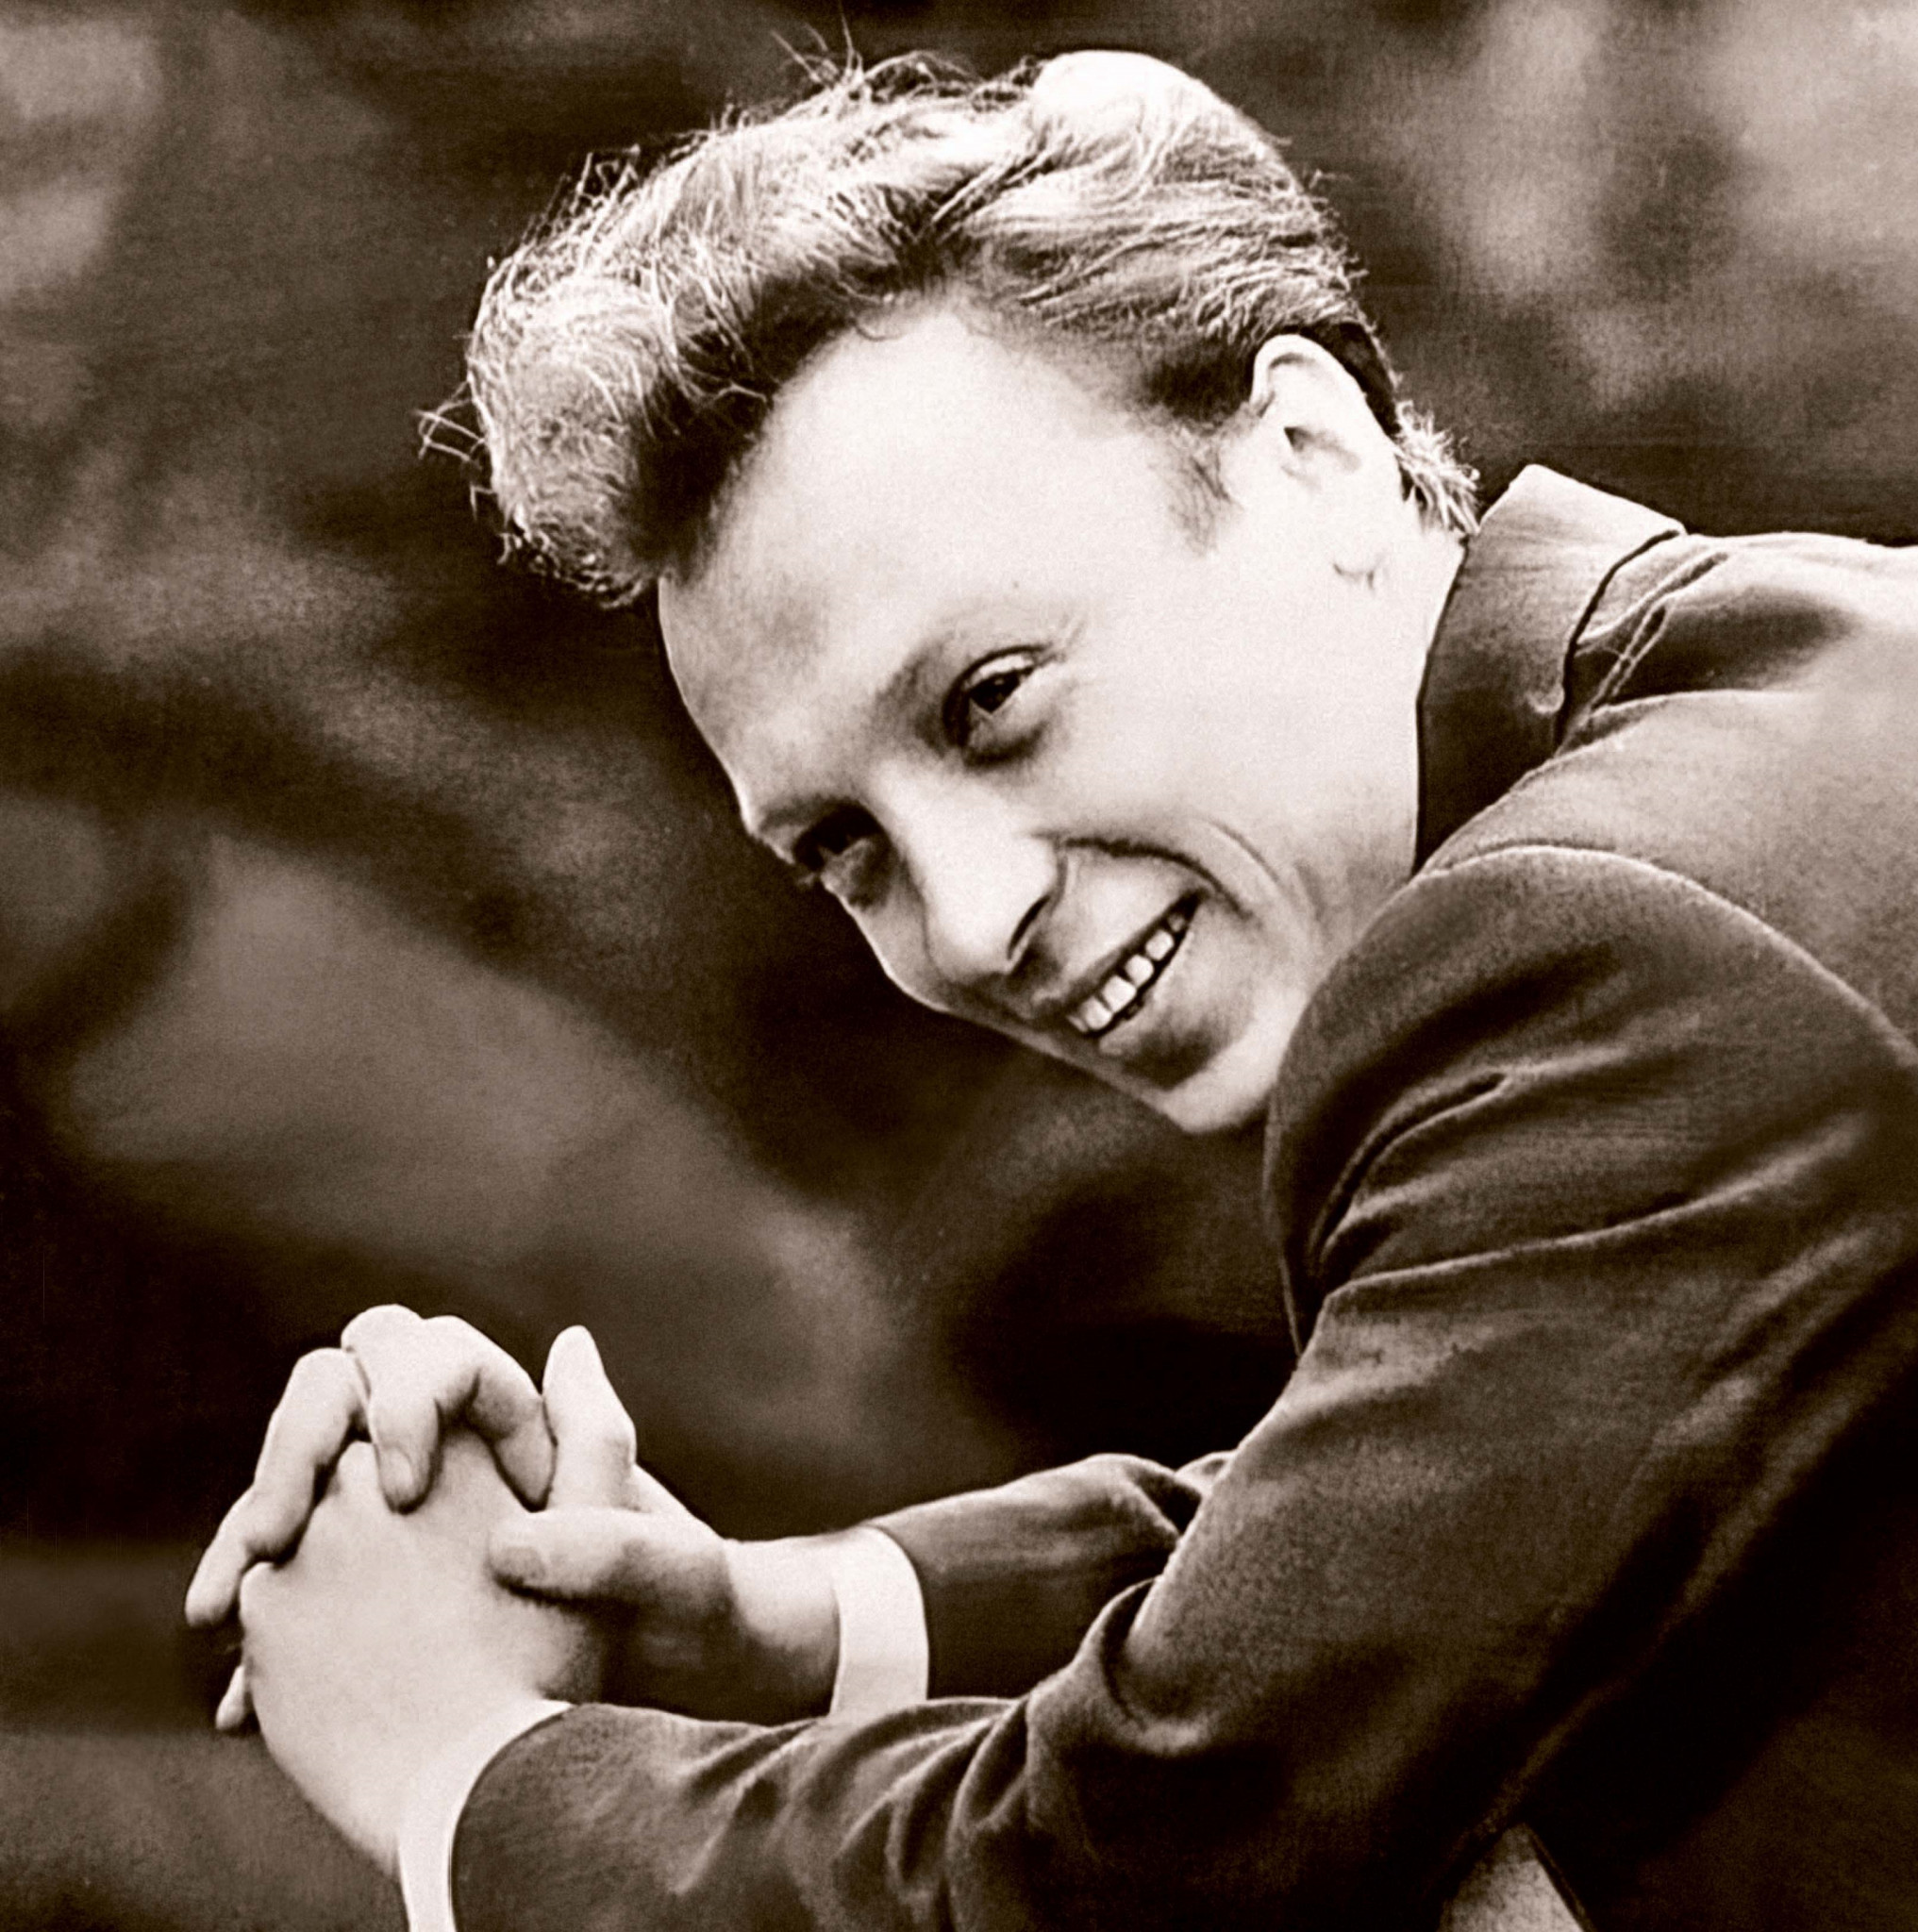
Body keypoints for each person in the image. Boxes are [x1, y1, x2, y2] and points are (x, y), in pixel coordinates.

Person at [187, 50, 1918, 1932]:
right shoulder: (1764, 698)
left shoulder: (1604, 939)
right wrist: (787, 1620)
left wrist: (459, 1770)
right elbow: (1458, 1509)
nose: (973, 916)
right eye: (843, 849)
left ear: (1310, 453)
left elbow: (1171, 1855)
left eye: (992, 702)